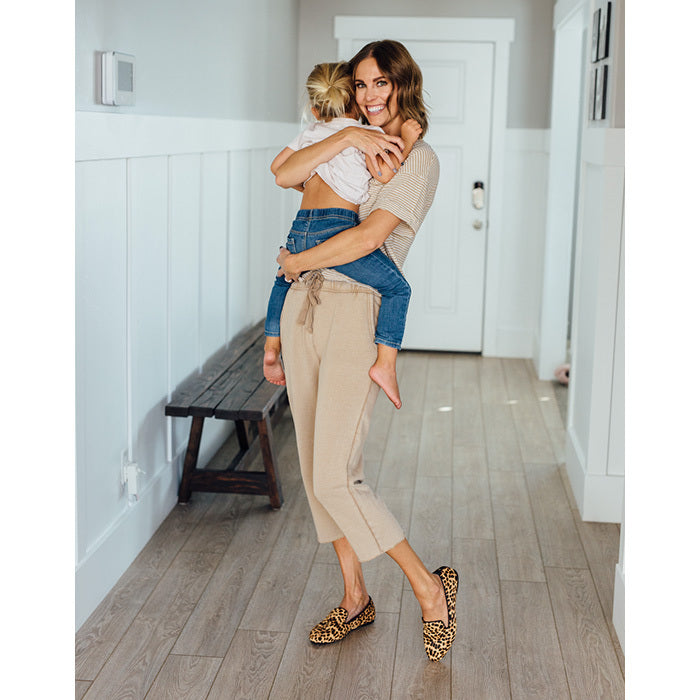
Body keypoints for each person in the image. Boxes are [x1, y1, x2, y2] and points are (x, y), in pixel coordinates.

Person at [272, 40, 459, 662]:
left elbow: (369, 235)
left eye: (382, 83)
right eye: (360, 84)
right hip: (304, 305)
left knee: (337, 474)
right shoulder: (352, 136)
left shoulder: (419, 160)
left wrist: (297, 261)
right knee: (311, 469)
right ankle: (355, 596)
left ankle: (430, 591)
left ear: (405, 84)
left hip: (357, 310)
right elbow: (289, 173)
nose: (370, 95)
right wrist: (347, 138)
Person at [263, 61, 421, 410]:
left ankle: (271, 348)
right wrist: (407, 141)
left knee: (282, 278)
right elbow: (384, 173)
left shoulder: (310, 135)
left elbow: (278, 169)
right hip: (336, 225)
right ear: (356, 102)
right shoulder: (370, 136)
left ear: (316, 107)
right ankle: (386, 364)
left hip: (300, 225)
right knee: (398, 287)